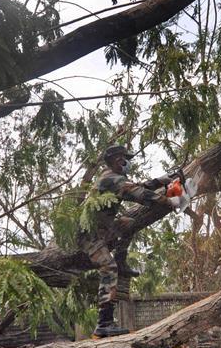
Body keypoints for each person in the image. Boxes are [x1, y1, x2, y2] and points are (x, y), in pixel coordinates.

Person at [81, 144, 196, 337]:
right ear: (118, 160)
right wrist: (171, 201)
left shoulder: (114, 179)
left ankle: (121, 258)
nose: (127, 163)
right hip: (89, 234)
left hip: (104, 227)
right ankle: (104, 323)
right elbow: (140, 194)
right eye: (125, 159)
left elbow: (137, 187)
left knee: (129, 223)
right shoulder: (110, 179)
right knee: (108, 269)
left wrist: (162, 180)